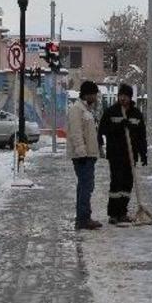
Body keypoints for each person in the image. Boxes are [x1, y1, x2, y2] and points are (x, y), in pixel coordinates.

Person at [98, 83, 148, 225]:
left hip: (131, 155)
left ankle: (123, 212)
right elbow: (103, 130)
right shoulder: (111, 112)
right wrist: (119, 126)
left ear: (130, 97)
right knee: (116, 183)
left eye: (125, 96)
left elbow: (141, 135)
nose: (123, 98)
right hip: (115, 154)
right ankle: (113, 213)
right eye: (121, 96)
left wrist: (144, 154)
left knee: (127, 184)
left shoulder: (136, 114)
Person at [67, 81, 102, 230]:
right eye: (94, 94)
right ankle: (83, 219)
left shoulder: (86, 110)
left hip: (89, 156)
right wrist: (82, 153)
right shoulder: (77, 109)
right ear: (87, 94)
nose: (95, 97)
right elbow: (76, 133)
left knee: (86, 186)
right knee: (86, 186)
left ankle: (83, 217)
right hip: (83, 157)